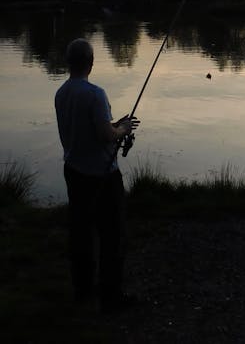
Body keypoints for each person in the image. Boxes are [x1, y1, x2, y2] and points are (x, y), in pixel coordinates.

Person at [55, 38, 140, 313]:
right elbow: (105, 136)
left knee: (80, 232)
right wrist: (122, 130)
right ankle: (111, 296)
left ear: (69, 63)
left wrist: (115, 124)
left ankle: (82, 290)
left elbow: (87, 129)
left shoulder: (62, 93)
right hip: (101, 176)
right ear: (91, 63)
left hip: (74, 170)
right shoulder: (95, 94)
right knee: (112, 234)